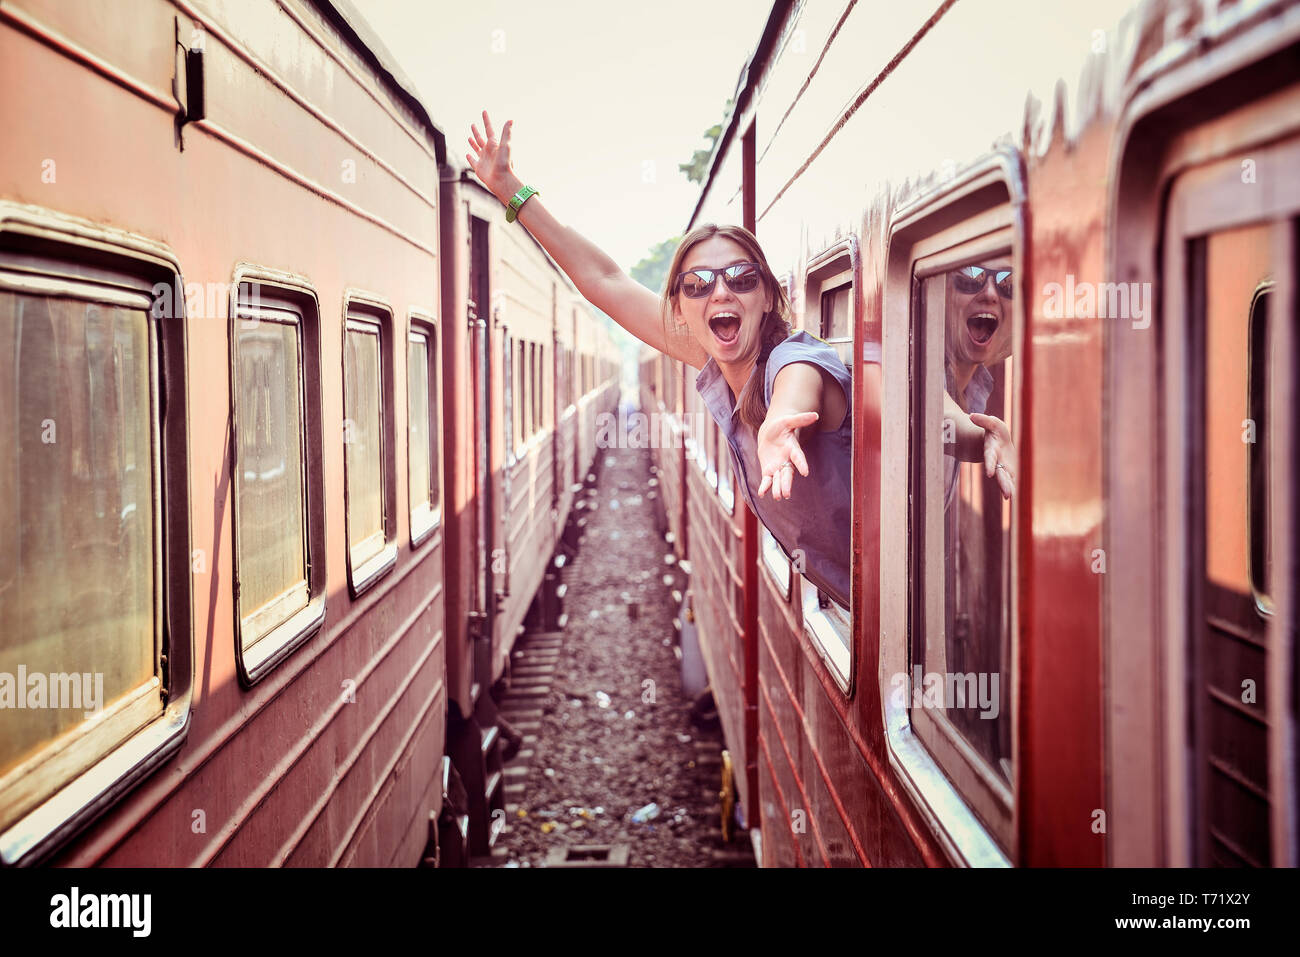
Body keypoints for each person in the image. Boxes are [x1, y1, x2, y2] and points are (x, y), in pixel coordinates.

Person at [465, 112, 1015, 608]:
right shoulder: (712, 352)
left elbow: (806, 381)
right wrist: (511, 189)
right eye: (699, 283)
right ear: (681, 307)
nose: (721, 292)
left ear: (768, 297)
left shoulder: (790, 359)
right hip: (873, 607)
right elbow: (603, 280)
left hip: (910, 616)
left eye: (742, 278)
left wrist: (780, 423)